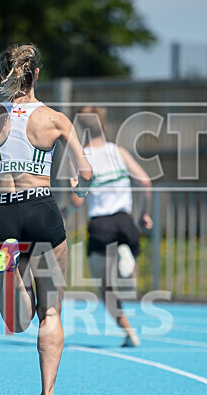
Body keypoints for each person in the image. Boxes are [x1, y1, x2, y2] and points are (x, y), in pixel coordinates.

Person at [0, 44, 92, 395]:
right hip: (42, 210)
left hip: (3, 213)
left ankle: (10, 274)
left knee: (16, 322)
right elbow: (87, 175)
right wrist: (79, 191)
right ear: (37, 75)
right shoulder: (54, 118)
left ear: (4, 75)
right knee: (51, 312)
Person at [63, 106, 153, 347]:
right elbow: (145, 182)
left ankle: (129, 331)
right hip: (125, 221)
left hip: (101, 225)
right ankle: (127, 260)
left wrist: (65, 212)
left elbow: (76, 199)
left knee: (105, 289)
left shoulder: (80, 158)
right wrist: (144, 214)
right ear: (104, 127)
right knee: (125, 276)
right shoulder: (118, 152)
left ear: (81, 129)